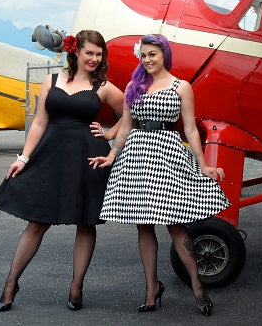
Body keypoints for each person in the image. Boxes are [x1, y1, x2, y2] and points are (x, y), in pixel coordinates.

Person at [89, 33, 230, 317]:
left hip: (167, 156)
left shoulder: (182, 87)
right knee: (143, 226)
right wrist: (112, 154)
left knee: (176, 226)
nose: (147, 60)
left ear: (164, 53)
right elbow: (126, 127)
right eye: (143, 55)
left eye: (152, 54)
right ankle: (151, 288)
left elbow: (189, 129)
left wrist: (203, 164)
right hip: (137, 159)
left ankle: (198, 286)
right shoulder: (133, 86)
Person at [0, 29, 125, 312]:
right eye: (90, 53)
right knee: (37, 222)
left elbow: (132, 112)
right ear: (75, 51)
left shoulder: (104, 87)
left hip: (87, 158)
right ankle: (11, 284)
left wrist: (111, 133)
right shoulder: (51, 81)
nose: (95, 59)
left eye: (99, 55)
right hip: (50, 157)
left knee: (85, 223)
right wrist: (24, 158)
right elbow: (39, 122)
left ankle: (76, 288)